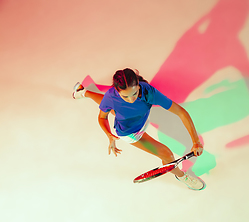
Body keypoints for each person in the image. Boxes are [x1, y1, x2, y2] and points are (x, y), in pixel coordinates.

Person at [72, 68, 205, 190]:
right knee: (167, 155)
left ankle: (84, 92)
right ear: (117, 92)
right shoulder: (110, 97)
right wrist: (109, 135)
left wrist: (196, 141)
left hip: (141, 119)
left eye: (135, 93)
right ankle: (181, 176)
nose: (131, 99)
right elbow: (102, 118)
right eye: (125, 96)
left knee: (113, 108)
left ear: (139, 86)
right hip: (129, 132)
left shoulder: (148, 91)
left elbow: (181, 112)